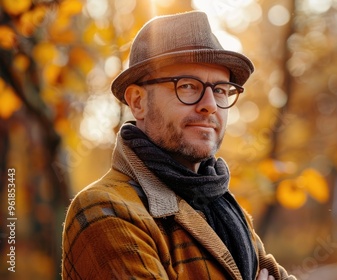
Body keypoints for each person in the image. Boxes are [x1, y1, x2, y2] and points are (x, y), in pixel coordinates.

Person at [61, 11, 296, 280]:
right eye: (187, 86)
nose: (209, 104)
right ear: (138, 102)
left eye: (220, 90)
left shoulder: (226, 209)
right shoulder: (105, 210)